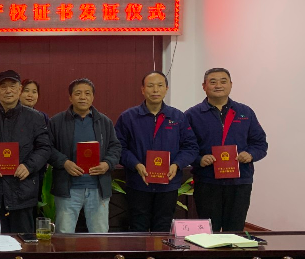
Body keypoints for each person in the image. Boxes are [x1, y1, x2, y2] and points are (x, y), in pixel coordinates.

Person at [0, 70, 52, 233]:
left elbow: (44, 147)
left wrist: (29, 166)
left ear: (19, 89)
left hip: (23, 192)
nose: (8, 91)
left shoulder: (35, 118)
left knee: (23, 244)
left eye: (12, 86)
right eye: (3, 86)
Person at [185, 68, 268, 232]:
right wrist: (199, 159)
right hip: (207, 181)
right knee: (209, 231)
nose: (218, 85)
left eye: (223, 81)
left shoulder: (245, 112)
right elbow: (185, 146)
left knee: (235, 230)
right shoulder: (192, 115)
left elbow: (260, 144)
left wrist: (250, 155)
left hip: (240, 182)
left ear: (231, 84)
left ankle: (233, 251)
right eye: (213, 82)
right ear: (204, 86)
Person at [115, 71, 199, 232]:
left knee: (163, 226)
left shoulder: (178, 117)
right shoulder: (128, 117)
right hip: (138, 183)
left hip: (168, 185)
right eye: (150, 86)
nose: (155, 90)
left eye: (160, 85)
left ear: (166, 89)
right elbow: (118, 147)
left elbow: (191, 147)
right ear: (142, 89)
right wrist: (136, 165)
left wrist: (177, 164)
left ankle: (160, 250)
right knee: (138, 226)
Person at [49, 78, 121, 234]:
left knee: (100, 235)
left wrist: (107, 164)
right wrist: (64, 162)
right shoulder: (56, 122)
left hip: (97, 188)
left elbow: (115, 147)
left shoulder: (104, 122)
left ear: (93, 97)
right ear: (70, 97)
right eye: (78, 93)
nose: (83, 97)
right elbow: (47, 148)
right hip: (68, 188)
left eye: (87, 93)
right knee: (64, 234)